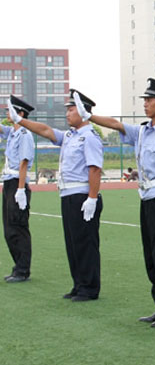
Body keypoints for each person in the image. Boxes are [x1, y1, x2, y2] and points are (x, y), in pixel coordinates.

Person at [73, 79, 155, 327]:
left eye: (149, 100)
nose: (145, 104)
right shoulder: (144, 131)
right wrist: (89, 116)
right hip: (146, 200)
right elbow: (116, 124)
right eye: (144, 100)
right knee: (151, 257)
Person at [8, 89, 103, 301]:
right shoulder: (70, 135)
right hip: (68, 194)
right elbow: (46, 131)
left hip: (82, 196)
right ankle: (79, 285)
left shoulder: (89, 136)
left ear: (82, 112)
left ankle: (89, 288)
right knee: (73, 243)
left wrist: (92, 198)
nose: (67, 114)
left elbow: (95, 169)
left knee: (85, 243)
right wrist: (21, 121)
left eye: (71, 110)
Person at [1, 96, 35, 283]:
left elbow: (24, 163)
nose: (6, 113)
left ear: (20, 113)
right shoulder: (13, 132)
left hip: (17, 183)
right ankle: (17, 267)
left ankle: (23, 270)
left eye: (10, 110)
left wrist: (21, 189)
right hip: (8, 182)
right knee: (8, 228)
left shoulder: (24, 134)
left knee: (18, 227)